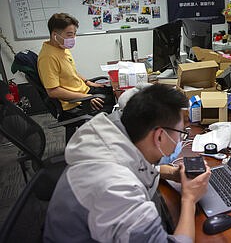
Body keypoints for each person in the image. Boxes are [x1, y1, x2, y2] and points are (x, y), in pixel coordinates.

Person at [44, 84, 211, 242]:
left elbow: (126, 162)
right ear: (159, 136)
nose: (180, 139)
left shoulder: (106, 136)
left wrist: (167, 172)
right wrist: (189, 199)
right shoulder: (117, 190)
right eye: (181, 133)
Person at [37, 13, 115, 119]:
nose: (73, 38)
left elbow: (71, 71)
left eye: (74, 34)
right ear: (55, 35)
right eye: (69, 35)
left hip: (84, 91)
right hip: (76, 103)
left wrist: (88, 82)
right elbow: (53, 91)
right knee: (118, 103)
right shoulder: (48, 57)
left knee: (113, 90)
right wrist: (86, 97)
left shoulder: (61, 48)